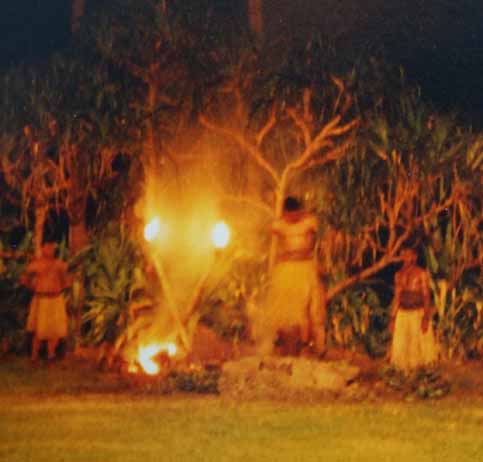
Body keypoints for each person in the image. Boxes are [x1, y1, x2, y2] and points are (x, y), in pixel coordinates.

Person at [255, 196, 326, 356]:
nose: (292, 218)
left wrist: (319, 260)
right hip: (286, 268)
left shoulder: (309, 222)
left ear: (300, 212)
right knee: (282, 309)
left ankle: (310, 345)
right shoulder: (279, 225)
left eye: (295, 214)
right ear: (285, 213)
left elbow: (321, 239)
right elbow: (265, 235)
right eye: (289, 214)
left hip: (305, 267)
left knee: (310, 308)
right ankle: (280, 342)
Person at [389, 248, 439, 372]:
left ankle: (421, 371)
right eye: (403, 255)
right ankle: (402, 370)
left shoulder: (421, 273)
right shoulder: (398, 274)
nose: (406, 258)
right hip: (403, 313)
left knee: (420, 345)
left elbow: (426, 295)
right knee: (401, 344)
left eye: (408, 255)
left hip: (418, 312)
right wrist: (393, 318)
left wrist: (426, 317)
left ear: (414, 257)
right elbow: (397, 297)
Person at [21, 241, 71, 362]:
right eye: (47, 247)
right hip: (41, 299)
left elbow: (67, 281)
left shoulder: (60, 265)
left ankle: (51, 355)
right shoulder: (36, 265)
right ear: (42, 248)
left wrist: (58, 288)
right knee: (39, 329)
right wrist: (34, 287)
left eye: (52, 247)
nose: (50, 250)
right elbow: (24, 279)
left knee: (55, 330)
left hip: (56, 299)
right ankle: (34, 356)